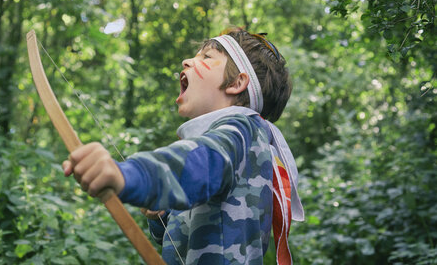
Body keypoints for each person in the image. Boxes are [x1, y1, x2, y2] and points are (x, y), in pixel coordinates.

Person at [62, 27, 304, 265]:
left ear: (236, 83)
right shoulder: (228, 140)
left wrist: (127, 174)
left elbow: (198, 162)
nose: (187, 60)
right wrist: (161, 215)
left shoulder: (241, 130)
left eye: (206, 56)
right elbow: (178, 239)